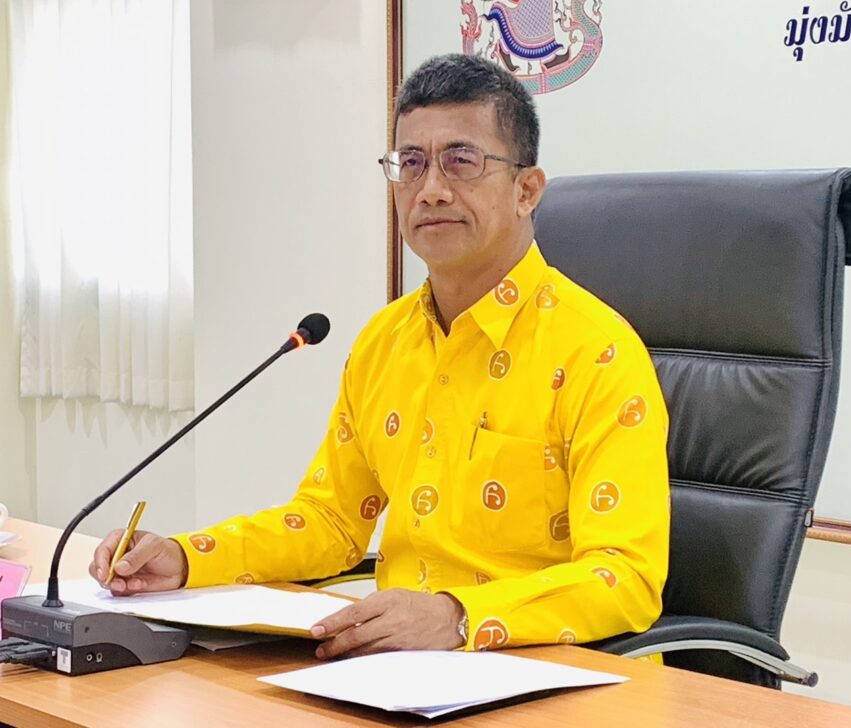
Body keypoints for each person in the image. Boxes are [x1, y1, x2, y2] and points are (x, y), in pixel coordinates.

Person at [89, 53, 670, 660]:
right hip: (397, 672)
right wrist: (187, 558)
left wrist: (458, 617)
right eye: (410, 164)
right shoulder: (384, 342)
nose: (431, 190)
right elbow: (331, 522)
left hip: (554, 674)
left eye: (461, 161)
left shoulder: (596, 352)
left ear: (526, 190)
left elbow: (624, 577)